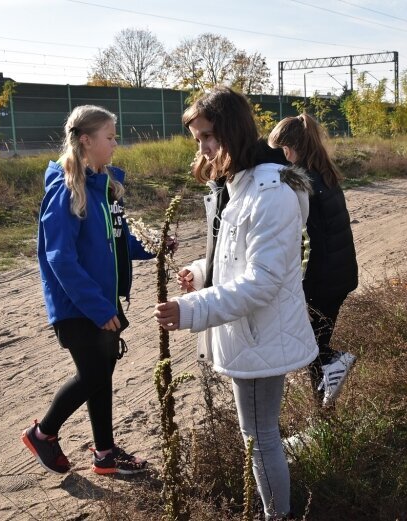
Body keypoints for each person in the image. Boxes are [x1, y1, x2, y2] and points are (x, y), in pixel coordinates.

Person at [154, 87, 317, 520]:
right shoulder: (243, 187)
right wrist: (202, 273)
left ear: (231, 130)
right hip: (252, 334)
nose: (204, 148)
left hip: (262, 335)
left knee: (261, 438)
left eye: (207, 136)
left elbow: (262, 281)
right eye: (196, 140)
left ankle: (277, 516)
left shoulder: (269, 193)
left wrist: (191, 310)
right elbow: (239, 260)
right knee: (257, 437)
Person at [21, 104, 153, 476]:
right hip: (78, 306)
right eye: (109, 137)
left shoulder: (104, 188)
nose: (115, 143)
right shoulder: (65, 191)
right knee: (94, 375)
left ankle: (105, 454)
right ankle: (42, 433)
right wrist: (97, 307)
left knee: (101, 375)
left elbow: (118, 239)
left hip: (101, 303)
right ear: (85, 140)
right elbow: (60, 258)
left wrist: (154, 245)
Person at [268, 114, 358, 407]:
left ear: (288, 149)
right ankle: (325, 408)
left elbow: (302, 241)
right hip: (339, 276)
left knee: (310, 345)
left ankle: (332, 368)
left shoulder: (299, 182)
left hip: (321, 280)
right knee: (315, 344)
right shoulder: (324, 173)